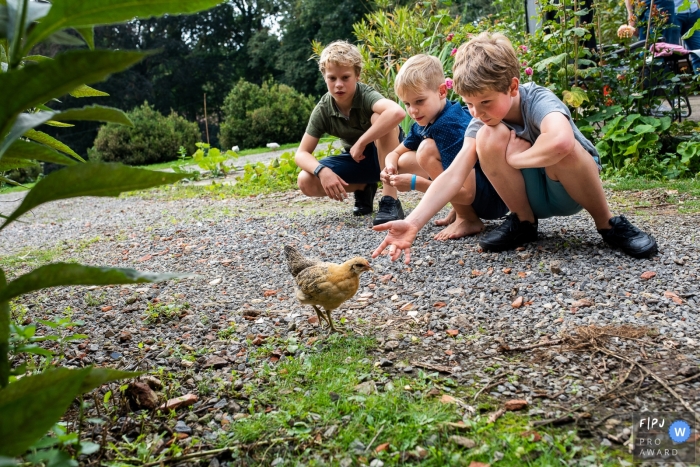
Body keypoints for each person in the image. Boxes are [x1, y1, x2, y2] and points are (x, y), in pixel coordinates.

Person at [372, 32, 658, 263]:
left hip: (571, 188)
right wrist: (413, 222)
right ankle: (523, 223)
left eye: (485, 102)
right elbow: (453, 174)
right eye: (470, 104)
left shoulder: (537, 100)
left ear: (512, 86)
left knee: (562, 147)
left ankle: (608, 224)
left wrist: (516, 158)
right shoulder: (480, 121)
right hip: (528, 195)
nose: (476, 112)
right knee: (487, 135)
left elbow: (560, 142)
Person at [380, 54, 507, 240]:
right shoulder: (428, 120)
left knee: (426, 150)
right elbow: (396, 153)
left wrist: (416, 183)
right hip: (480, 191)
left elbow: (468, 194)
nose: (413, 111)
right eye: (407, 104)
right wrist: (389, 166)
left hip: (492, 198)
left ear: (441, 91)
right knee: (405, 159)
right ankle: (459, 211)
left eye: (419, 101)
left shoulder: (448, 126)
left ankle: (467, 217)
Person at [295, 40, 407, 225]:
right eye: (332, 78)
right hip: (358, 161)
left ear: (357, 76)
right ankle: (364, 187)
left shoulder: (365, 95)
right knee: (305, 180)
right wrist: (322, 171)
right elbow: (301, 153)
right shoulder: (323, 109)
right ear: (324, 77)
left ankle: (390, 200)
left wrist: (361, 142)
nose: (338, 84)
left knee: (379, 117)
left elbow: (397, 112)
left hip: (392, 157)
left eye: (345, 77)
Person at [674, 0, 700, 73]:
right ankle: (671, 84)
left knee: (698, 53)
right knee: (669, 55)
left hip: (693, 11)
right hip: (673, 12)